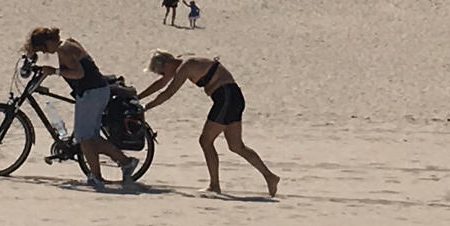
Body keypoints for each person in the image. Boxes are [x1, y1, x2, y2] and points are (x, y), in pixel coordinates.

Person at [139, 52, 279, 196]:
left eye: (161, 71)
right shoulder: (183, 65)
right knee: (236, 146)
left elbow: (168, 92)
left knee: (206, 141)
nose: (163, 75)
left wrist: (145, 107)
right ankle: (270, 177)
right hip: (232, 97)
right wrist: (138, 97)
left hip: (226, 98)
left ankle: (214, 185)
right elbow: (161, 84)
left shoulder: (187, 65)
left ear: (167, 64)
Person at [24, 28, 138, 189]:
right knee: (91, 138)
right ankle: (125, 163)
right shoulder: (66, 43)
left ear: (49, 42)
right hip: (96, 91)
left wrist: (55, 71)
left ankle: (98, 177)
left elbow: (78, 73)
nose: (44, 52)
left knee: (84, 139)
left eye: (43, 48)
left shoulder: (64, 50)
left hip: (91, 93)